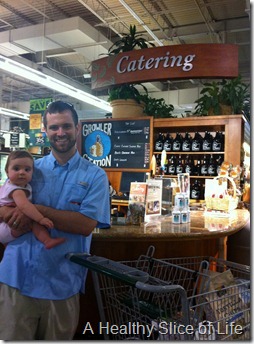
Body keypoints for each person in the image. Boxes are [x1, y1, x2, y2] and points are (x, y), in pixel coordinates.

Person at [0, 100, 110, 340]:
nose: (60, 133)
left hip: (62, 283)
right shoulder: (29, 169)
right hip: (16, 278)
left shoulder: (95, 176)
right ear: (46, 131)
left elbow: (85, 225)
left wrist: (35, 209)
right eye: (54, 127)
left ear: (77, 128)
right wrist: (10, 212)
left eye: (66, 126)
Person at [0, 150, 66, 249]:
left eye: (27, 170)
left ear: (32, 172)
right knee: (33, 221)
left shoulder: (12, 185)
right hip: (7, 228)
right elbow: (24, 206)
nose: (22, 172)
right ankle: (47, 240)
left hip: (6, 227)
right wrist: (41, 218)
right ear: (7, 172)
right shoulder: (17, 190)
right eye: (16, 168)